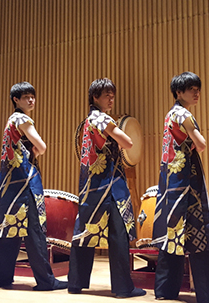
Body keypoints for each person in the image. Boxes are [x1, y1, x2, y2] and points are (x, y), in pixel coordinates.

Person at [152, 72, 209, 303]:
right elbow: (202, 144)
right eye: (191, 89)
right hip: (189, 182)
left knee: (173, 234)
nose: (196, 92)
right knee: (200, 236)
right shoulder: (184, 114)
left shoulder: (170, 115)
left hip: (171, 182)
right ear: (178, 92)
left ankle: (165, 291)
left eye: (197, 88)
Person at [67, 78, 146, 298]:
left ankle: (75, 283)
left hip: (91, 185)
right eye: (106, 95)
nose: (111, 99)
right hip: (109, 184)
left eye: (112, 94)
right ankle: (123, 287)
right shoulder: (101, 119)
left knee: (84, 231)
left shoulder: (87, 121)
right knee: (118, 234)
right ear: (95, 97)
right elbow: (128, 142)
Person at [0, 82, 68, 290]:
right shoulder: (22, 118)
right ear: (16, 100)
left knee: (9, 229)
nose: (31, 100)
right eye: (25, 97)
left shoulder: (10, 121)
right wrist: (38, 150)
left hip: (10, 182)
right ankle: (46, 280)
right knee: (34, 231)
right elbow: (41, 145)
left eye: (32, 96)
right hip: (25, 181)